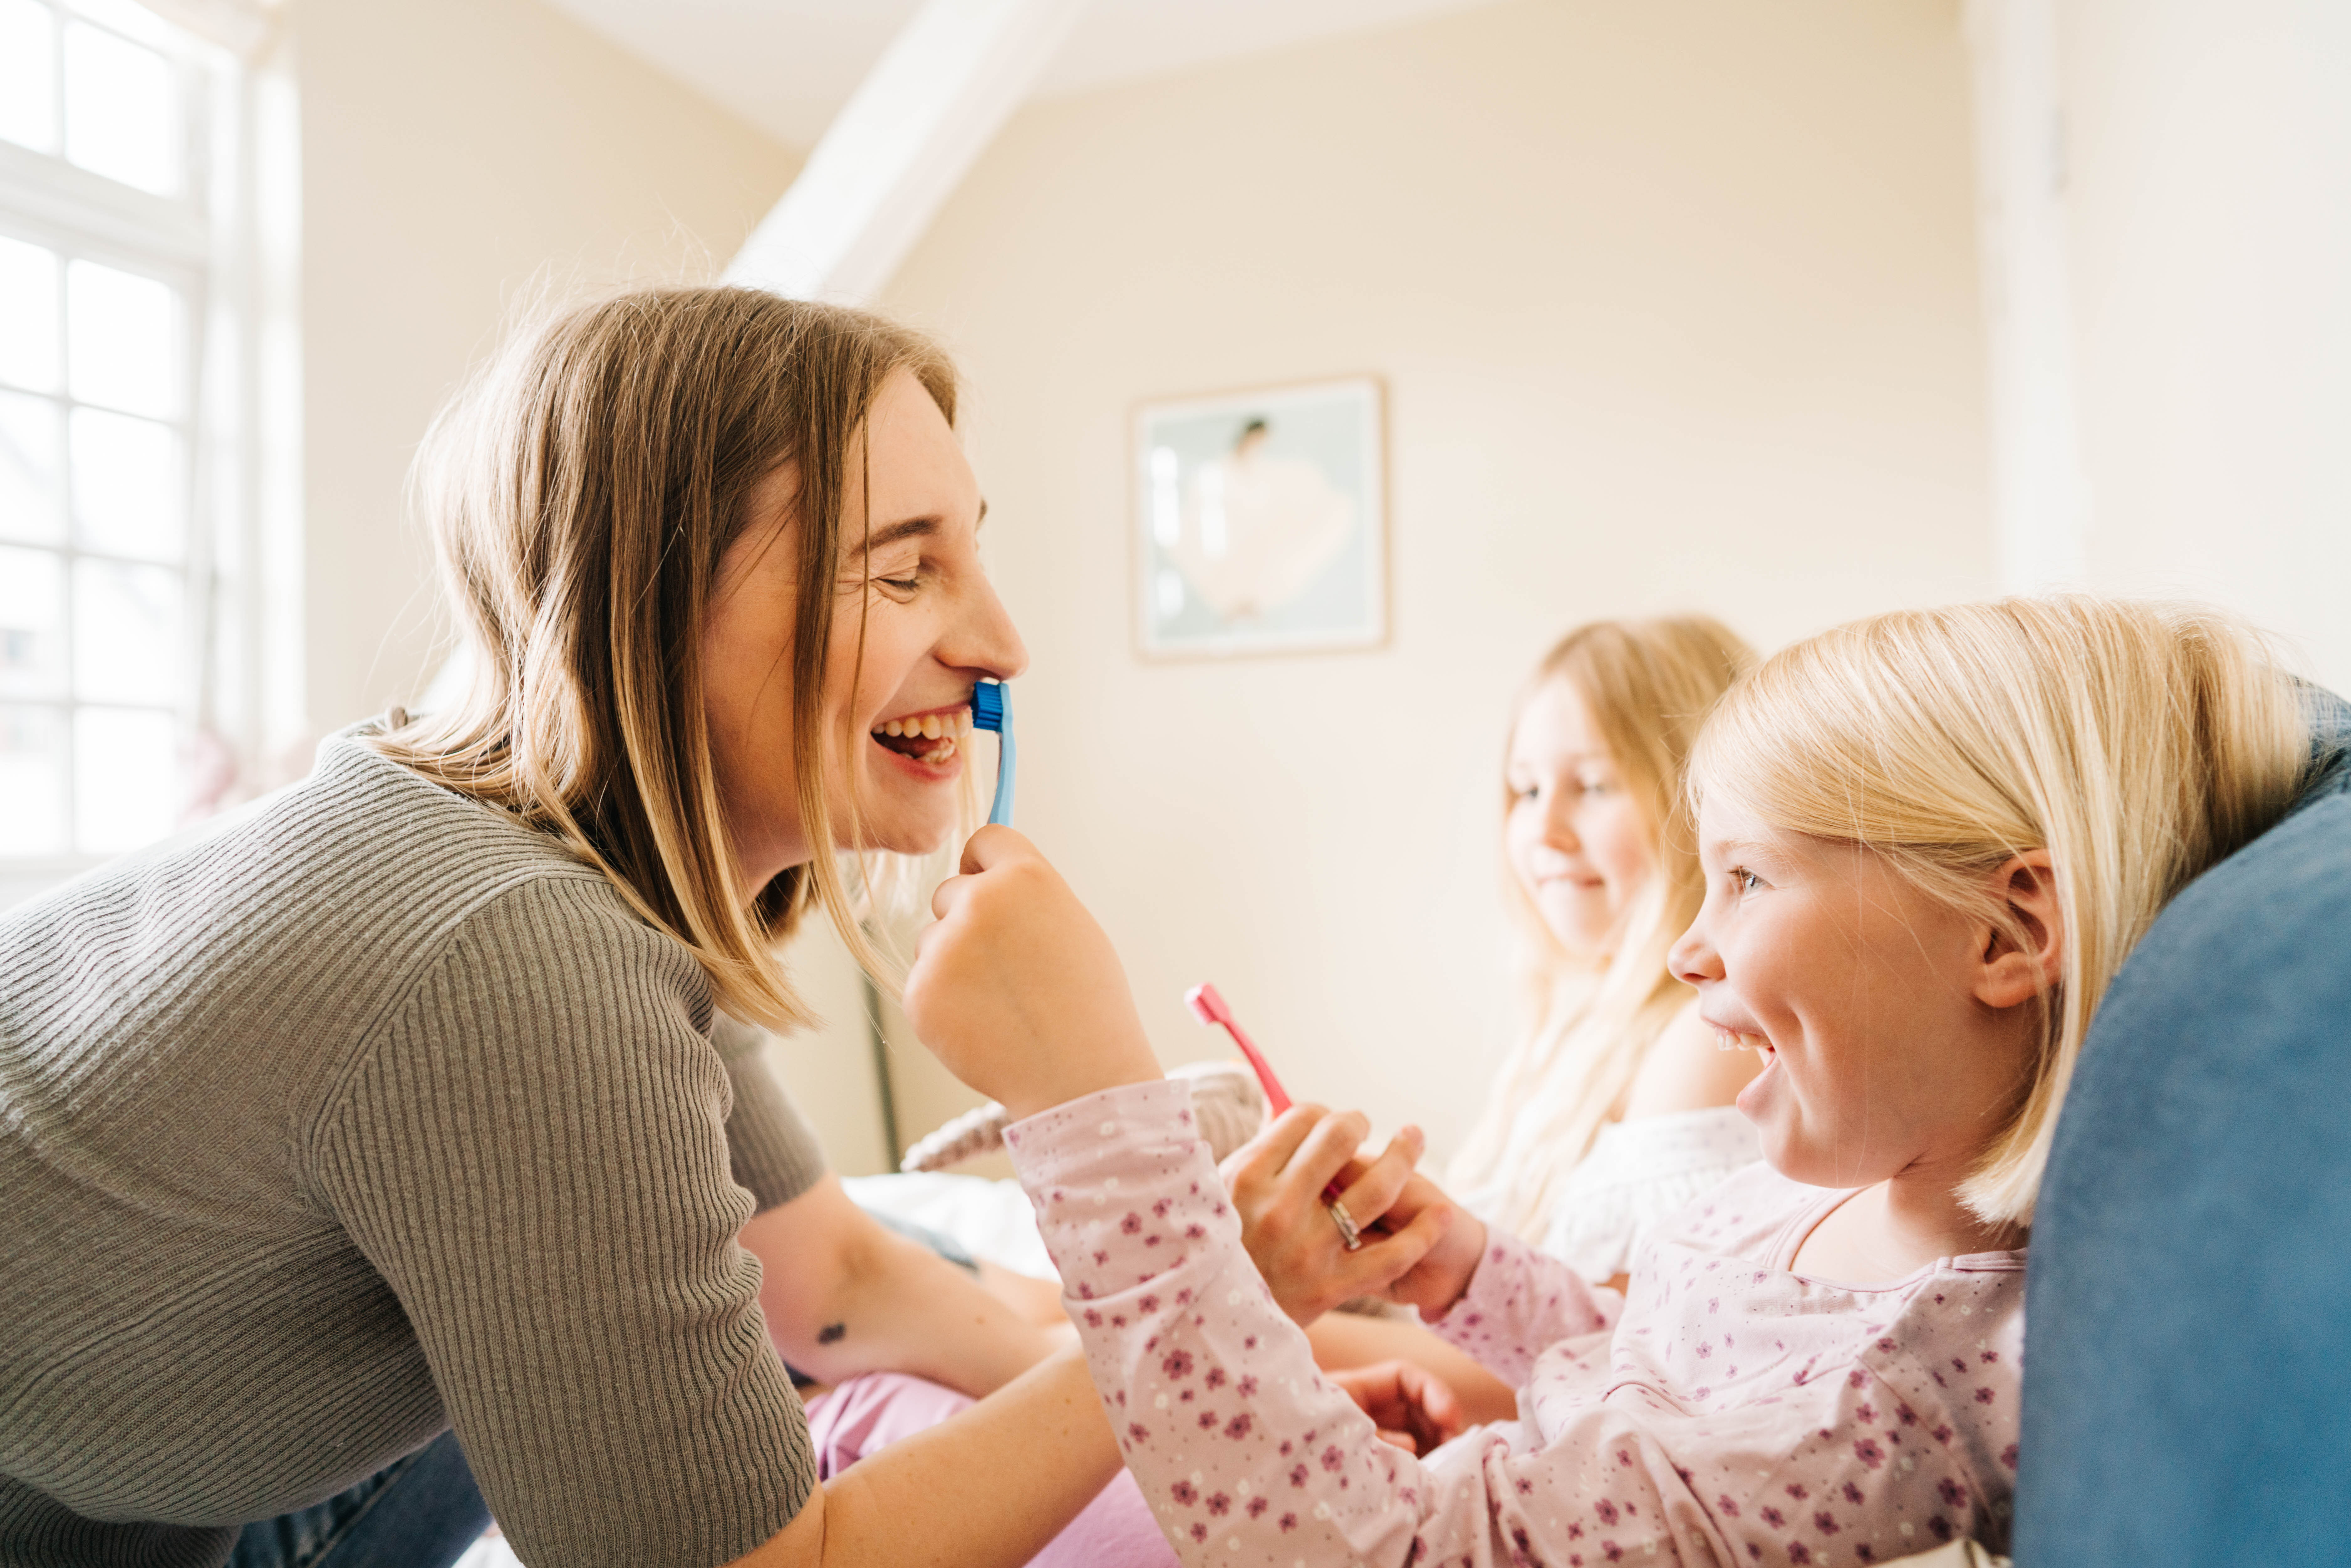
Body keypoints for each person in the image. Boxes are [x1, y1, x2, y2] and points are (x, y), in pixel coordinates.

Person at [0, 287, 1159, 1568]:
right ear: (655, 599)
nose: (1004, 645)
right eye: (903, 570)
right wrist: (1164, 1340)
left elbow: (834, 1282)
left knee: (748, 1259)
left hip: (140, 1497)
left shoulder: (564, 867)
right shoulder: (512, 955)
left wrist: (1263, 1318)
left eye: (972, 557)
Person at [901, 596, 2312, 1565]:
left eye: (1747, 879)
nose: (1689, 947)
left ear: (2006, 934)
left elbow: (1372, 1550)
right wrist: (1467, 1270)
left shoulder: (1909, 1392)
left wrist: (1091, 1111)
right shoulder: (1808, 1201)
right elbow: (1667, 1346)